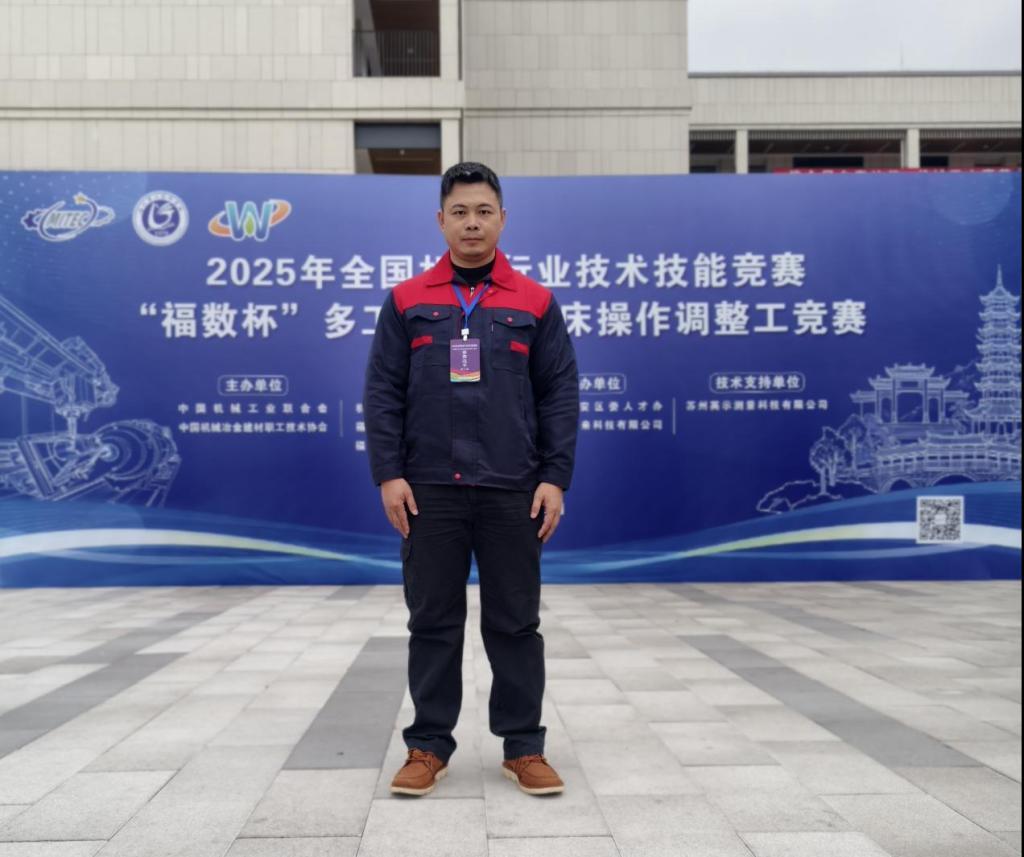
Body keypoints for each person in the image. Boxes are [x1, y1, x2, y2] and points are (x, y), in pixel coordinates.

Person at [363, 162, 579, 797]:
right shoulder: (407, 300)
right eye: (460, 212)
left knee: (515, 623)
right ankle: (428, 746)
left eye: (484, 211)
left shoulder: (534, 301)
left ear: (502, 219)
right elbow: (382, 393)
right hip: (429, 489)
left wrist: (555, 477)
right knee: (432, 621)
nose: (472, 223)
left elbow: (559, 394)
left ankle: (524, 747)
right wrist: (389, 474)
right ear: (441, 221)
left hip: (513, 488)